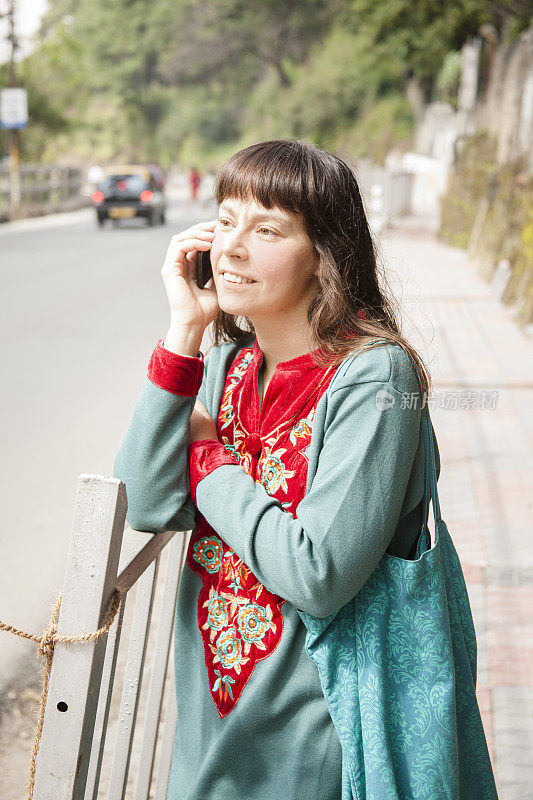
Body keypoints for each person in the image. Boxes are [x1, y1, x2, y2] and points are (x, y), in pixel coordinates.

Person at [113, 139, 440, 800]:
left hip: (317, 737)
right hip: (210, 726)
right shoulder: (225, 370)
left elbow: (316, 575)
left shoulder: (374, 376)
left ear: (325, 256)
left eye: (266, 229)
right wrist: (184, 332)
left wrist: (205, 458)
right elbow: (145, 501)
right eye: (225, 219)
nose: (232, 247)